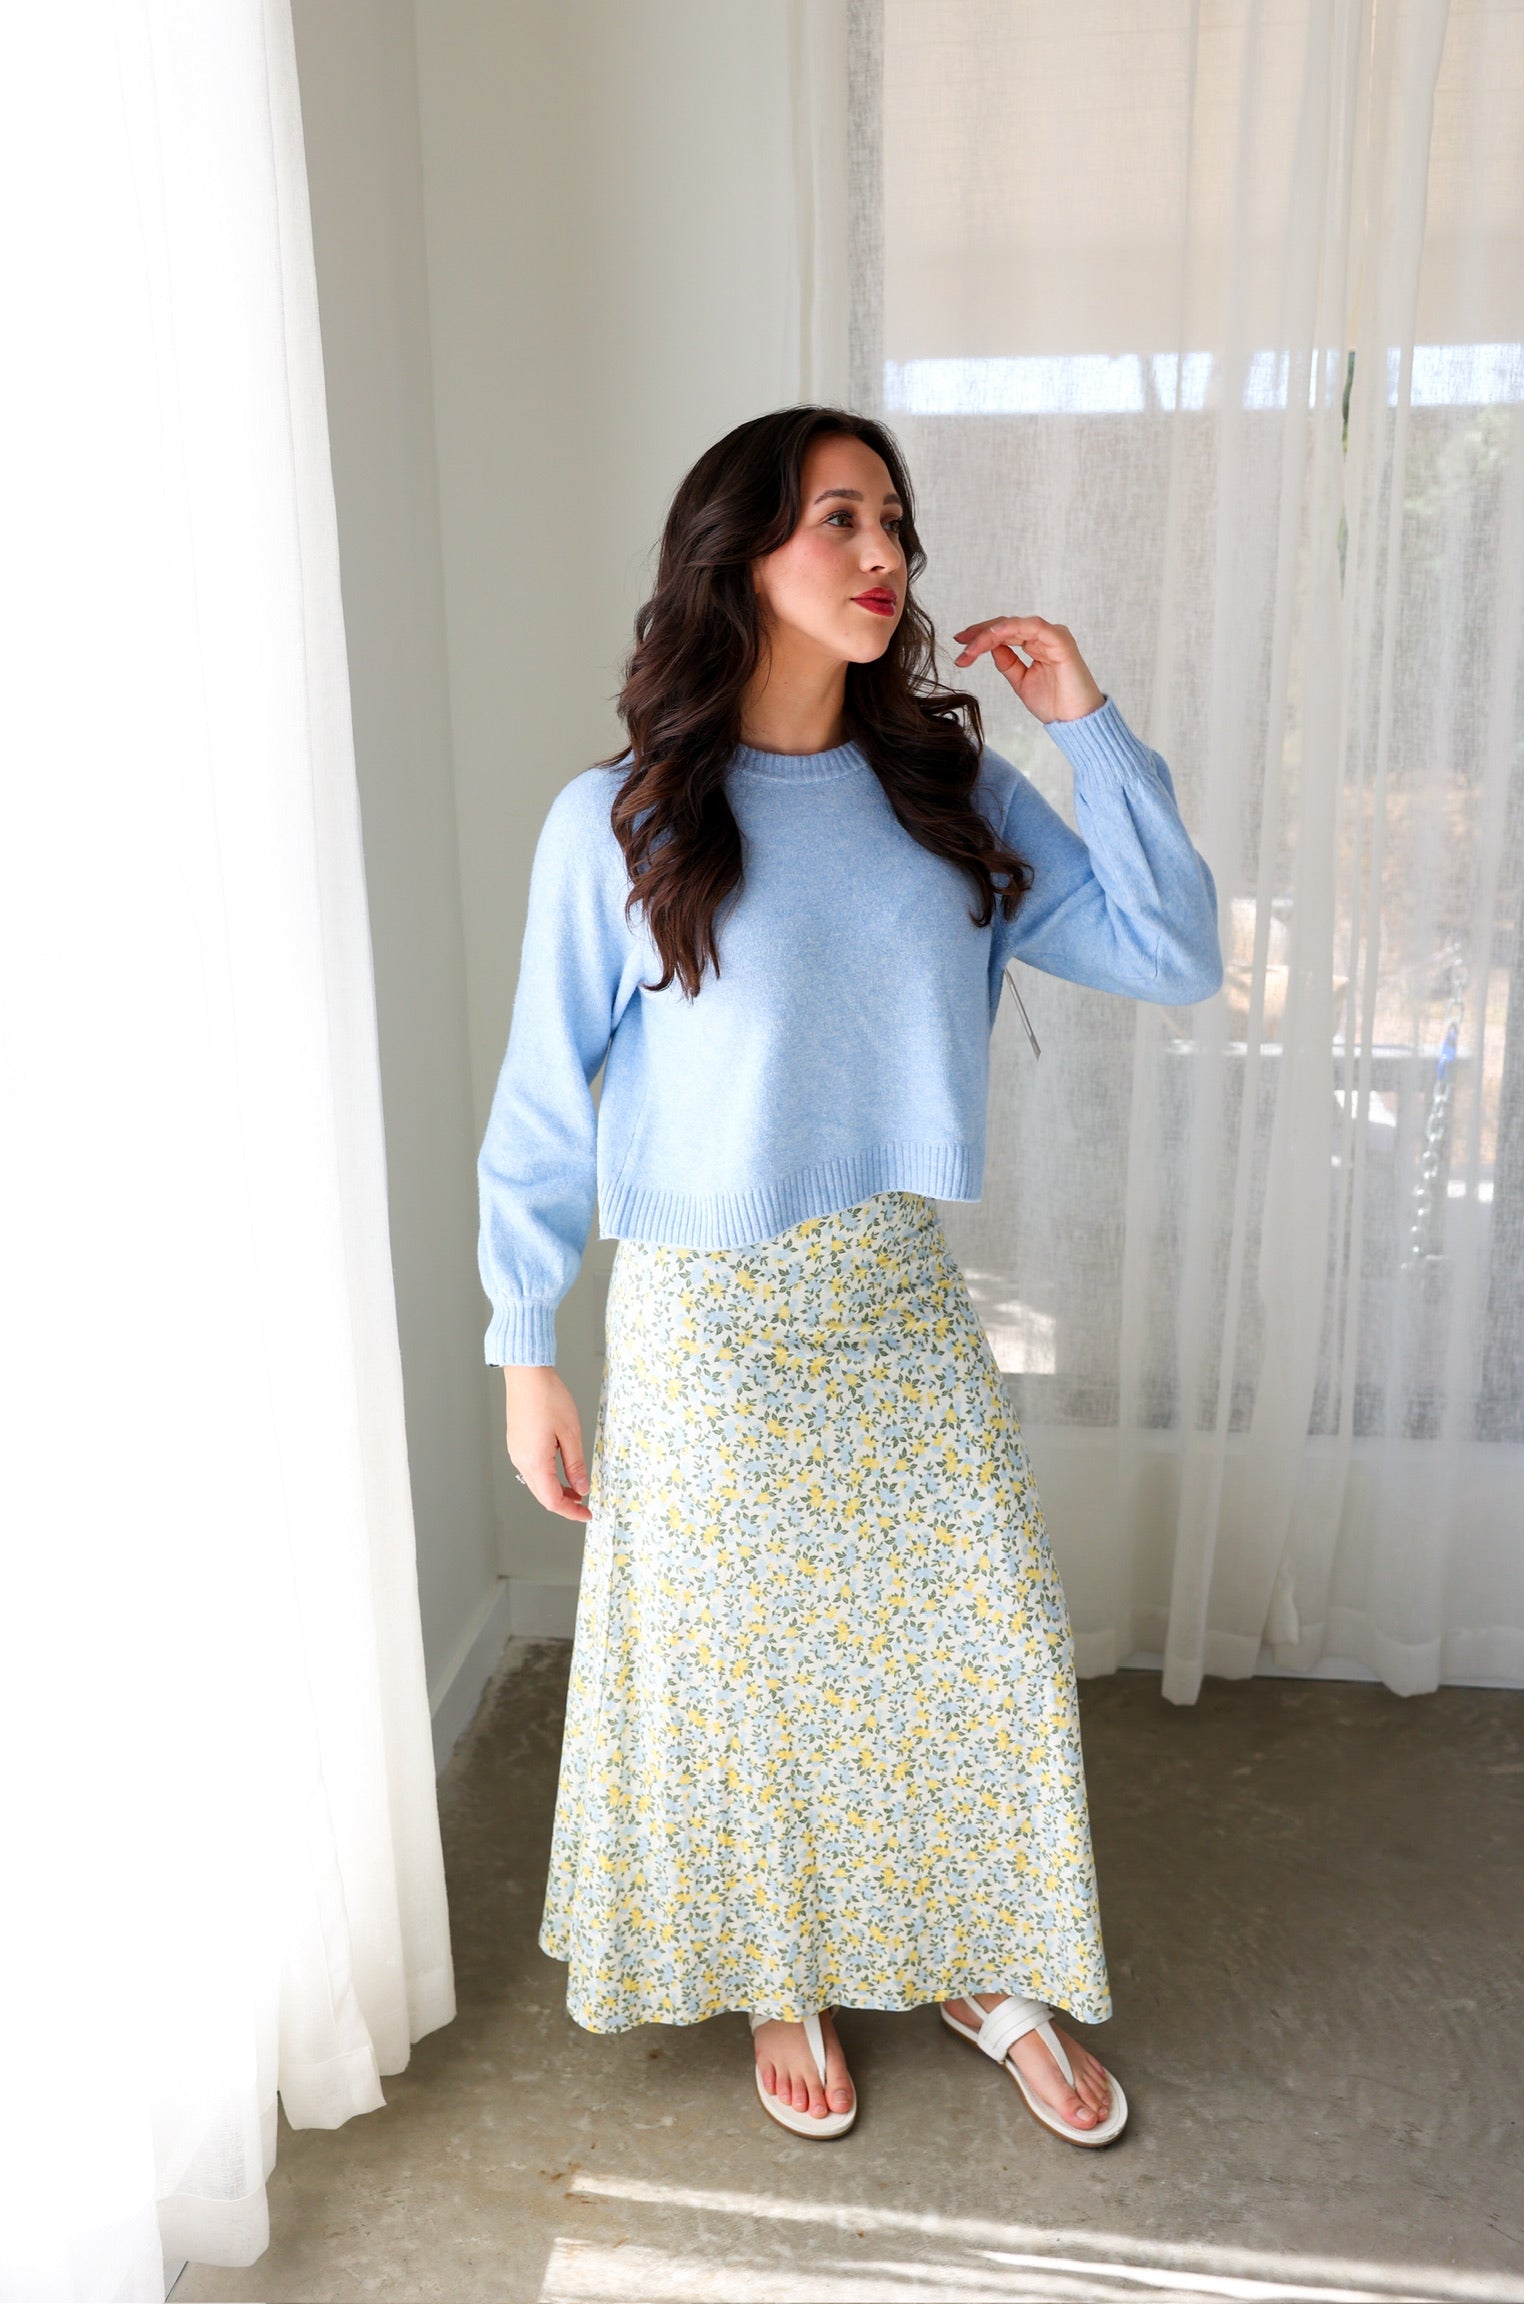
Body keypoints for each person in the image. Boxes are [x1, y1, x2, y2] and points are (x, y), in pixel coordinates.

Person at [476, 405, 1223, 2146]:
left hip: (888, 1288)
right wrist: (526, 1347)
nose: (885, 555)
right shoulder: (620, 820)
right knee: (744, 1667)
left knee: (980, 1643)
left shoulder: (948, 794)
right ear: (738, 553)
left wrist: (1086, 724)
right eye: (840, 520)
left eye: (894, 522)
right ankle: (782, 1959)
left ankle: (979, 1958)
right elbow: (540, 1104)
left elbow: (1176, 952)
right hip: (703, 1308)